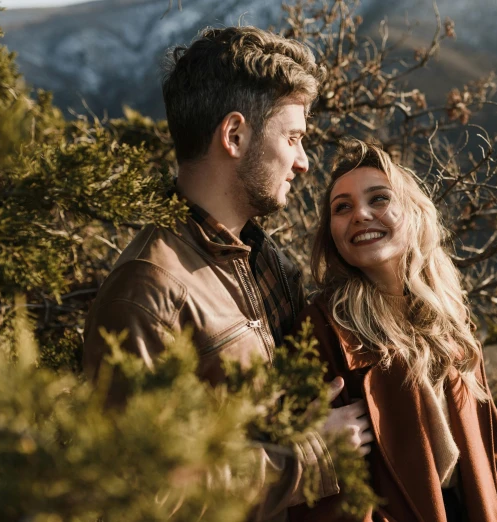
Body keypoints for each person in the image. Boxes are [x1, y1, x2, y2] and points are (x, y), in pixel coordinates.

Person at [81, 26, 371, 521]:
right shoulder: (146, 291)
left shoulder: (262, 258)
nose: (303, 163)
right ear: (234, 135)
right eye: (294, 138)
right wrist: (312, 455)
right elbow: (148, 493)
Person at [288, 139, 497, 522]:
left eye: (379, 199)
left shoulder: (449, 320)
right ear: (332, 234)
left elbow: (494, 456)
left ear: (414, 212)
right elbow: (332, 493)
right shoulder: (325, 329)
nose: (360, 214)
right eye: (342, 207)